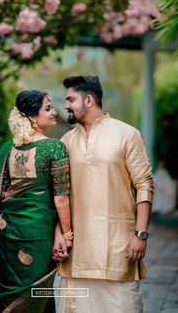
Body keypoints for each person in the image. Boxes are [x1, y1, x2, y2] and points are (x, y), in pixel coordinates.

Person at [53, 76, 154, 313]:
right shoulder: (66, 141)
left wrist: (140, 234)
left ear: (89, 100)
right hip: (77, 251)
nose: (66, 105)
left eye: (70, 99)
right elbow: (58, 193)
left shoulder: (127, 134)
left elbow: (144, 185)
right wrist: (59, 233)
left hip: (118, 248)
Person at [0, 90, 73, 313]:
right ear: (32, 117)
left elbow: (1, 192)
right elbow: (62, 198)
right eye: (48, 108)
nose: (55, 112)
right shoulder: (54, 147)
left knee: (7, 285)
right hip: (38, 233)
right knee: (39, 289)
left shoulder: (7, 149)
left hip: (6, 232)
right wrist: (67, 235)